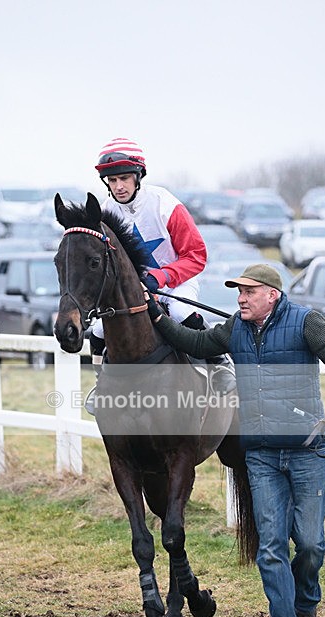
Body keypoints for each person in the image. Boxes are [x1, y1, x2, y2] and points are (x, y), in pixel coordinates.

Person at [145, 263, 325, 617]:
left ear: (271, 295)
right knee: (272, 546)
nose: (240, 299)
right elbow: (196, 342)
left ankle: (305, 599)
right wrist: (156, 313)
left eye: (248, 292)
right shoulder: (236, 329)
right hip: (260, 454)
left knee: (310, 544)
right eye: (238, 292)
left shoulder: (305, 322)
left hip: (306, 449)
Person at [86, 137, 234, 411]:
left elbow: (196, 255)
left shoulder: (164, 203)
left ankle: (220, 366)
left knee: (179, 313)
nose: (118, 187)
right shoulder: (106, 212)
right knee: (97, 330)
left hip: (176, 282)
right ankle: (101, 383)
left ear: (138, 176)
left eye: (124, 179)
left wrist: (161, 277)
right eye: (112, 180)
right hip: (133, 289)